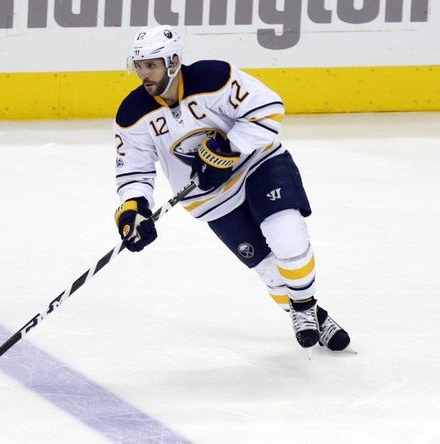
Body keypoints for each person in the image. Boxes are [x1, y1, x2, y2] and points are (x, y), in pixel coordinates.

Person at [113, 25, 350, 351]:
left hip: (258, 165)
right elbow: (134, 171)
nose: (144, 74)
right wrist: (133, 207)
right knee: (267, 269)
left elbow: (269, 108)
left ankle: (304, 305)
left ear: (173, 62)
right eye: (139, 66)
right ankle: (313, 316)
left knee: (287, 234)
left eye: (151, 65)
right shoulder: (132, 114)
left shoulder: (214, 78)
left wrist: (229, 148)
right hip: (209, 199)